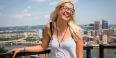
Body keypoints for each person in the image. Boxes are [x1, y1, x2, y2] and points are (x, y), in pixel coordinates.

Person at [7, 0, 83, 58]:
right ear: (57, 11)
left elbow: (80, 56)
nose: (68, 11)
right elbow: (42, 47)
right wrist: (21, 49)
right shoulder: (49, 27)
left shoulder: (76, 30)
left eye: (71, 10)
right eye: (65, 8)